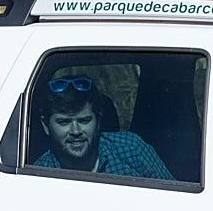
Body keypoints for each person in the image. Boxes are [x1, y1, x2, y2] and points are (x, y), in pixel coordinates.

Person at [31, 75, 174, 180]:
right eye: (64, 122)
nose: (75, 131)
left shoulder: (132, 148)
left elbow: (177, 200)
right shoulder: (38, 176)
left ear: (98, 120)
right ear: (46, 126)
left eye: (84, 120)